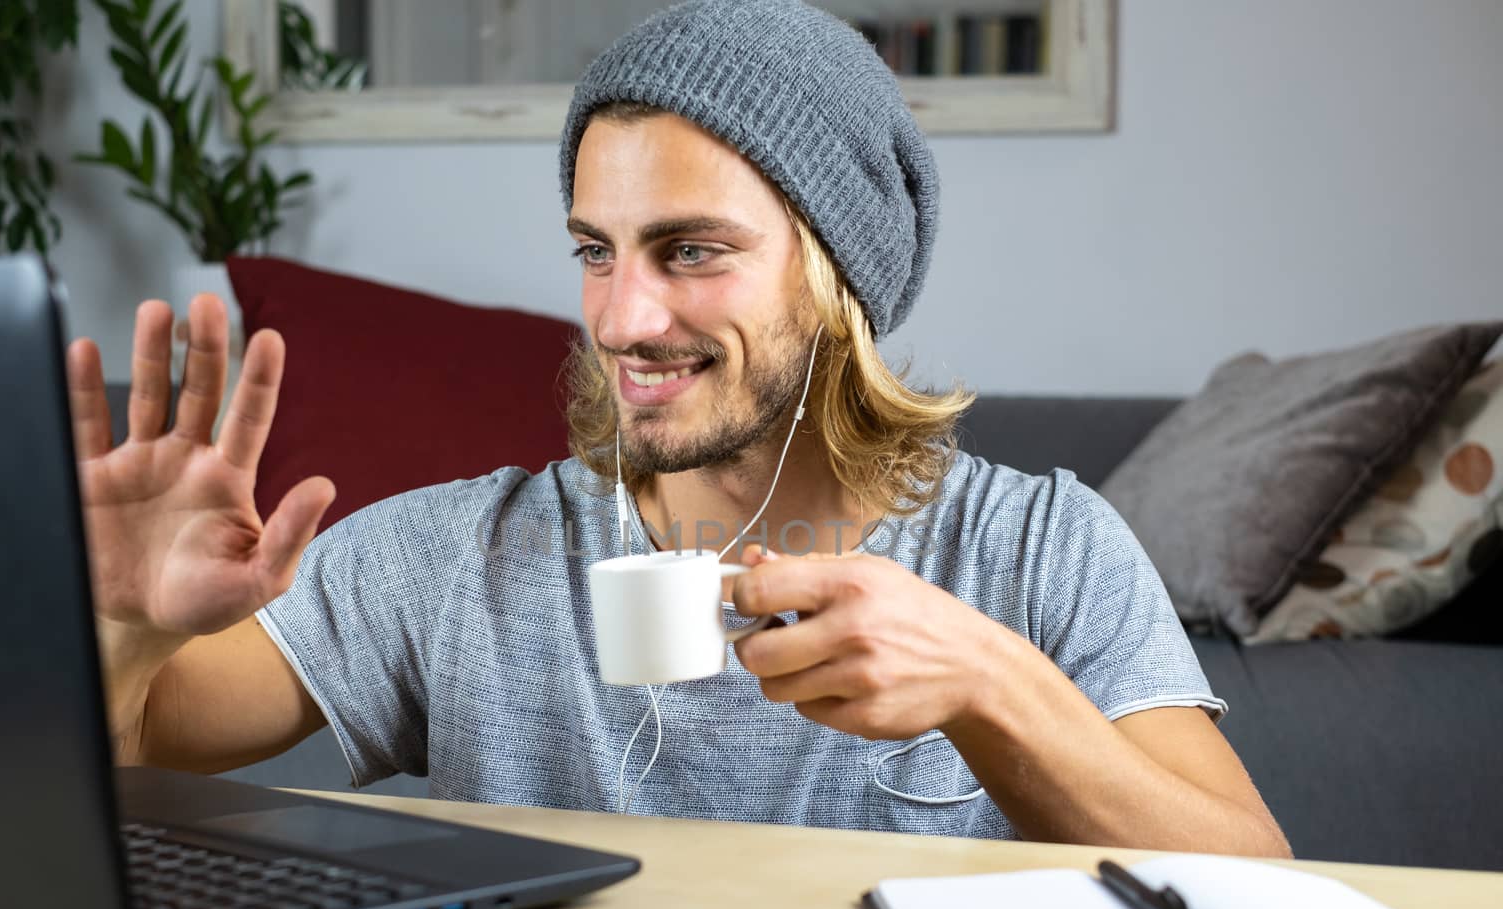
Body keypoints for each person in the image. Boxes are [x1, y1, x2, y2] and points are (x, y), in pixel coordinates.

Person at [67, 0, 1289, 855]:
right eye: (595, 252)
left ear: (832, 274)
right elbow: (128, 754)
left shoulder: (1040, 546)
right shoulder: (454, 557)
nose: (621, 316)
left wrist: (985, 683)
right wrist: (122, 625)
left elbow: (1251, 881)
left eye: (691, 250)